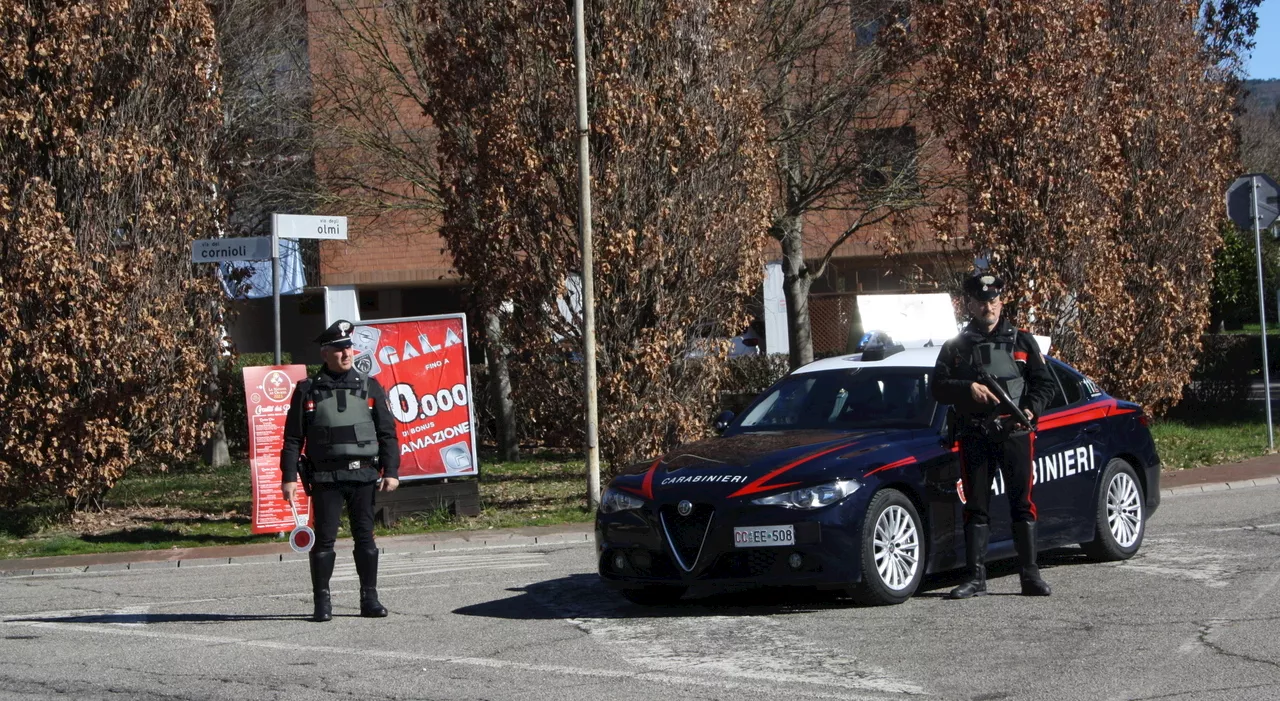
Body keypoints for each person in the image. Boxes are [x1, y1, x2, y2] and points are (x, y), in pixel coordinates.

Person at [932, 273, 1055, 598]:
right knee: (976, 505)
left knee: (1022, 504)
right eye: (982, 302)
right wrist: (967, 388)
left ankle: (1029, 576)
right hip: (975, 434)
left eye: (994, 301)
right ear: (970, 304)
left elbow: (1045, 385)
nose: (988, 307)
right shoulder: (956, 348)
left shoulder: (1022, 341)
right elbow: (937, 387)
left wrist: (1029, 410)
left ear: (1001, 301)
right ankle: (975, 578)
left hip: (1014, 433)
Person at [281, 319, 401, 622]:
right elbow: (293, 438)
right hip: (325, 477)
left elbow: (387, 432)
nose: (346, 353)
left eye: (348, 347)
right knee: (324, 540)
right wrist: (288, 478)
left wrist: (392, 470)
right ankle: (322, 602)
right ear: (325, 353)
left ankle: (369, 599)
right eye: (338, 349)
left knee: (365, 538)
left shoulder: (369, 385)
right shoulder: (307, 390)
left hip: (363, 475)